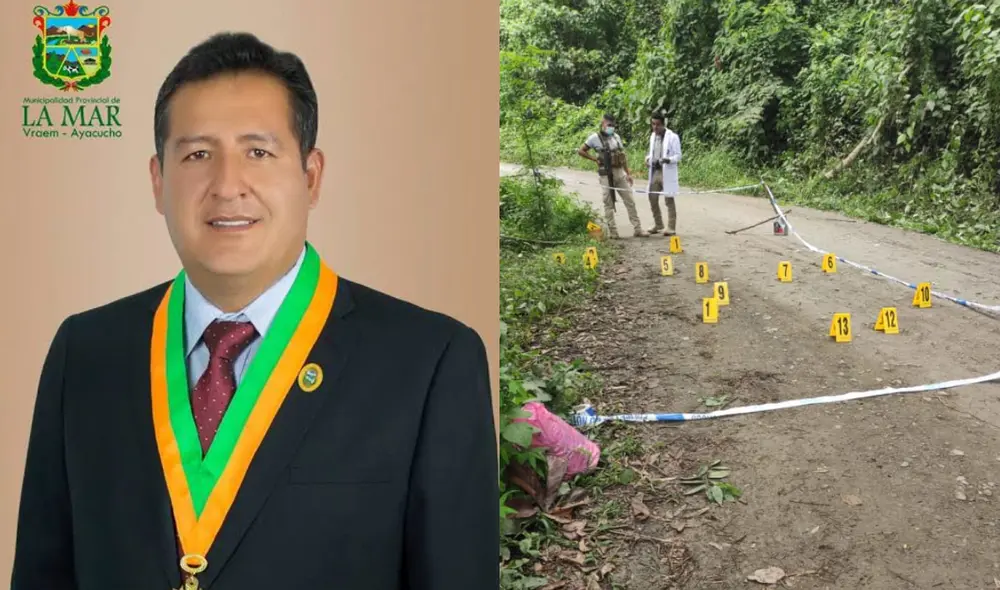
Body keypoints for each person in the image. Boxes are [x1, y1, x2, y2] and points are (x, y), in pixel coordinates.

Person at [11, 32, 498, 590]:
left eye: (258, 152)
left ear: (310, 177)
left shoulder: (429, 361)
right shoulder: (87, 351)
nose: (226, 186)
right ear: (158, 180)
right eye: (197, 154)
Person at [577, 114, 649, 239]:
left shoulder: (616, 137)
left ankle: (638, 228)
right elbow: (581, 151)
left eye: (613, 125)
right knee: (608, 203)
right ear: (603, 124)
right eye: (608, 125)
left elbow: (622, 156)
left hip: (620, 172)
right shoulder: (595, 138)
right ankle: (613, 232)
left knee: (630, 200)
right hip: (606, 173)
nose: (611, 127)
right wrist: (594, 159)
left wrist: (628, 174)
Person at [644, 113, 682, 236]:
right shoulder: (653, 136)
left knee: (668, 199)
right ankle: (658, 223)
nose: (655, 127)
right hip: (655, 171)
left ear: (663, 124)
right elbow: (652, 153)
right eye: (653, 124)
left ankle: (671, 227)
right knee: (652, 197)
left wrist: (668, 160)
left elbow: (678, 156)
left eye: (658, 124)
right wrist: (648, 159)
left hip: (666, 171)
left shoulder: (672, 137)